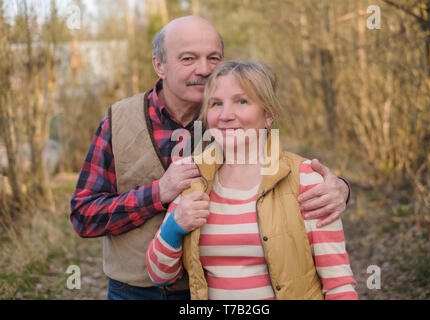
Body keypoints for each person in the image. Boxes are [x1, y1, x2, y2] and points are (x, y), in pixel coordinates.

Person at [70, 16, 352, 300]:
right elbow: (83, 216)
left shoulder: (229, 124)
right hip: (135, 290)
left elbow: (282, 176)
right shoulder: (118, 122)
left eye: (213, 58)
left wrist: (339, 187)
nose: (203, 69)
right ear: (159, 65)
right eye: (188, 58)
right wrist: (159, 193)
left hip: (203, 291)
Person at [146, 60, 358, 300]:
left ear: (268, 114)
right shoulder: (193, 178)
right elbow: (159, 275)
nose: (225, 115)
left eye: (242, 101)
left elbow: (339, 285)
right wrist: (175, 225)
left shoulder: (305, 179)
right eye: (216, 104)